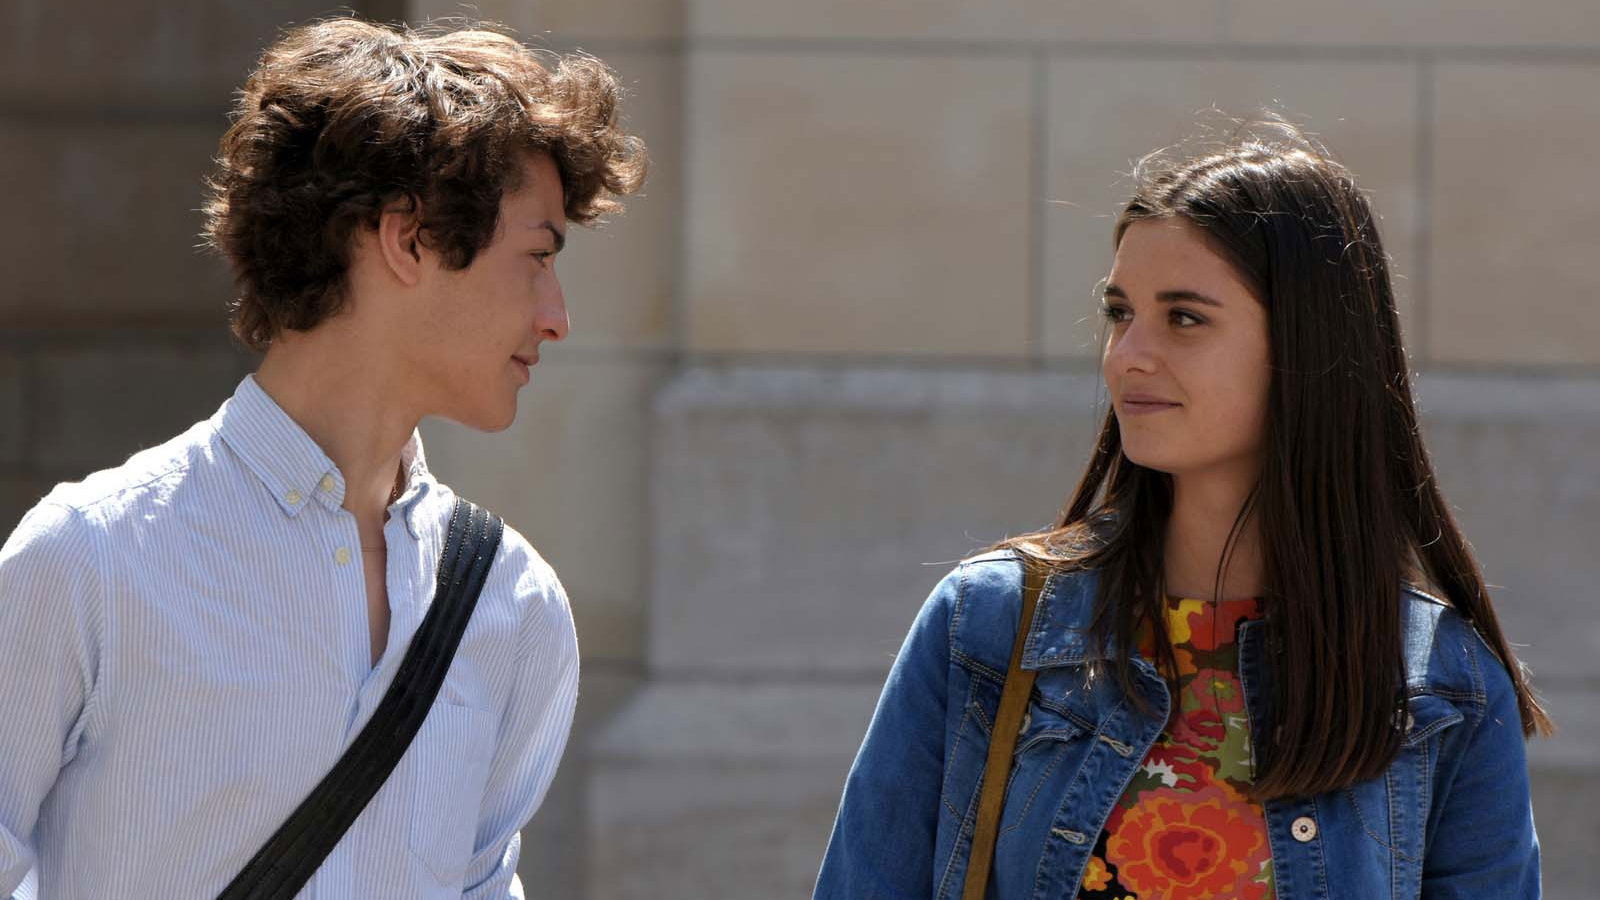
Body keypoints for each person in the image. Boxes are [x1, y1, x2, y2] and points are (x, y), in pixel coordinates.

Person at [813, 122, 1550, 899]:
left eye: (1185, 318)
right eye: (1120, 312)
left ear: (1307, 349)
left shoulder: (1447, 688)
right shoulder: (986, 628)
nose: (1127, 355)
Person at [0, 17, 645, 898]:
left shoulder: (513, 605)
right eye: (536, 256)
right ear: (407, 239)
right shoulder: (90, 560)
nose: (557, 316)